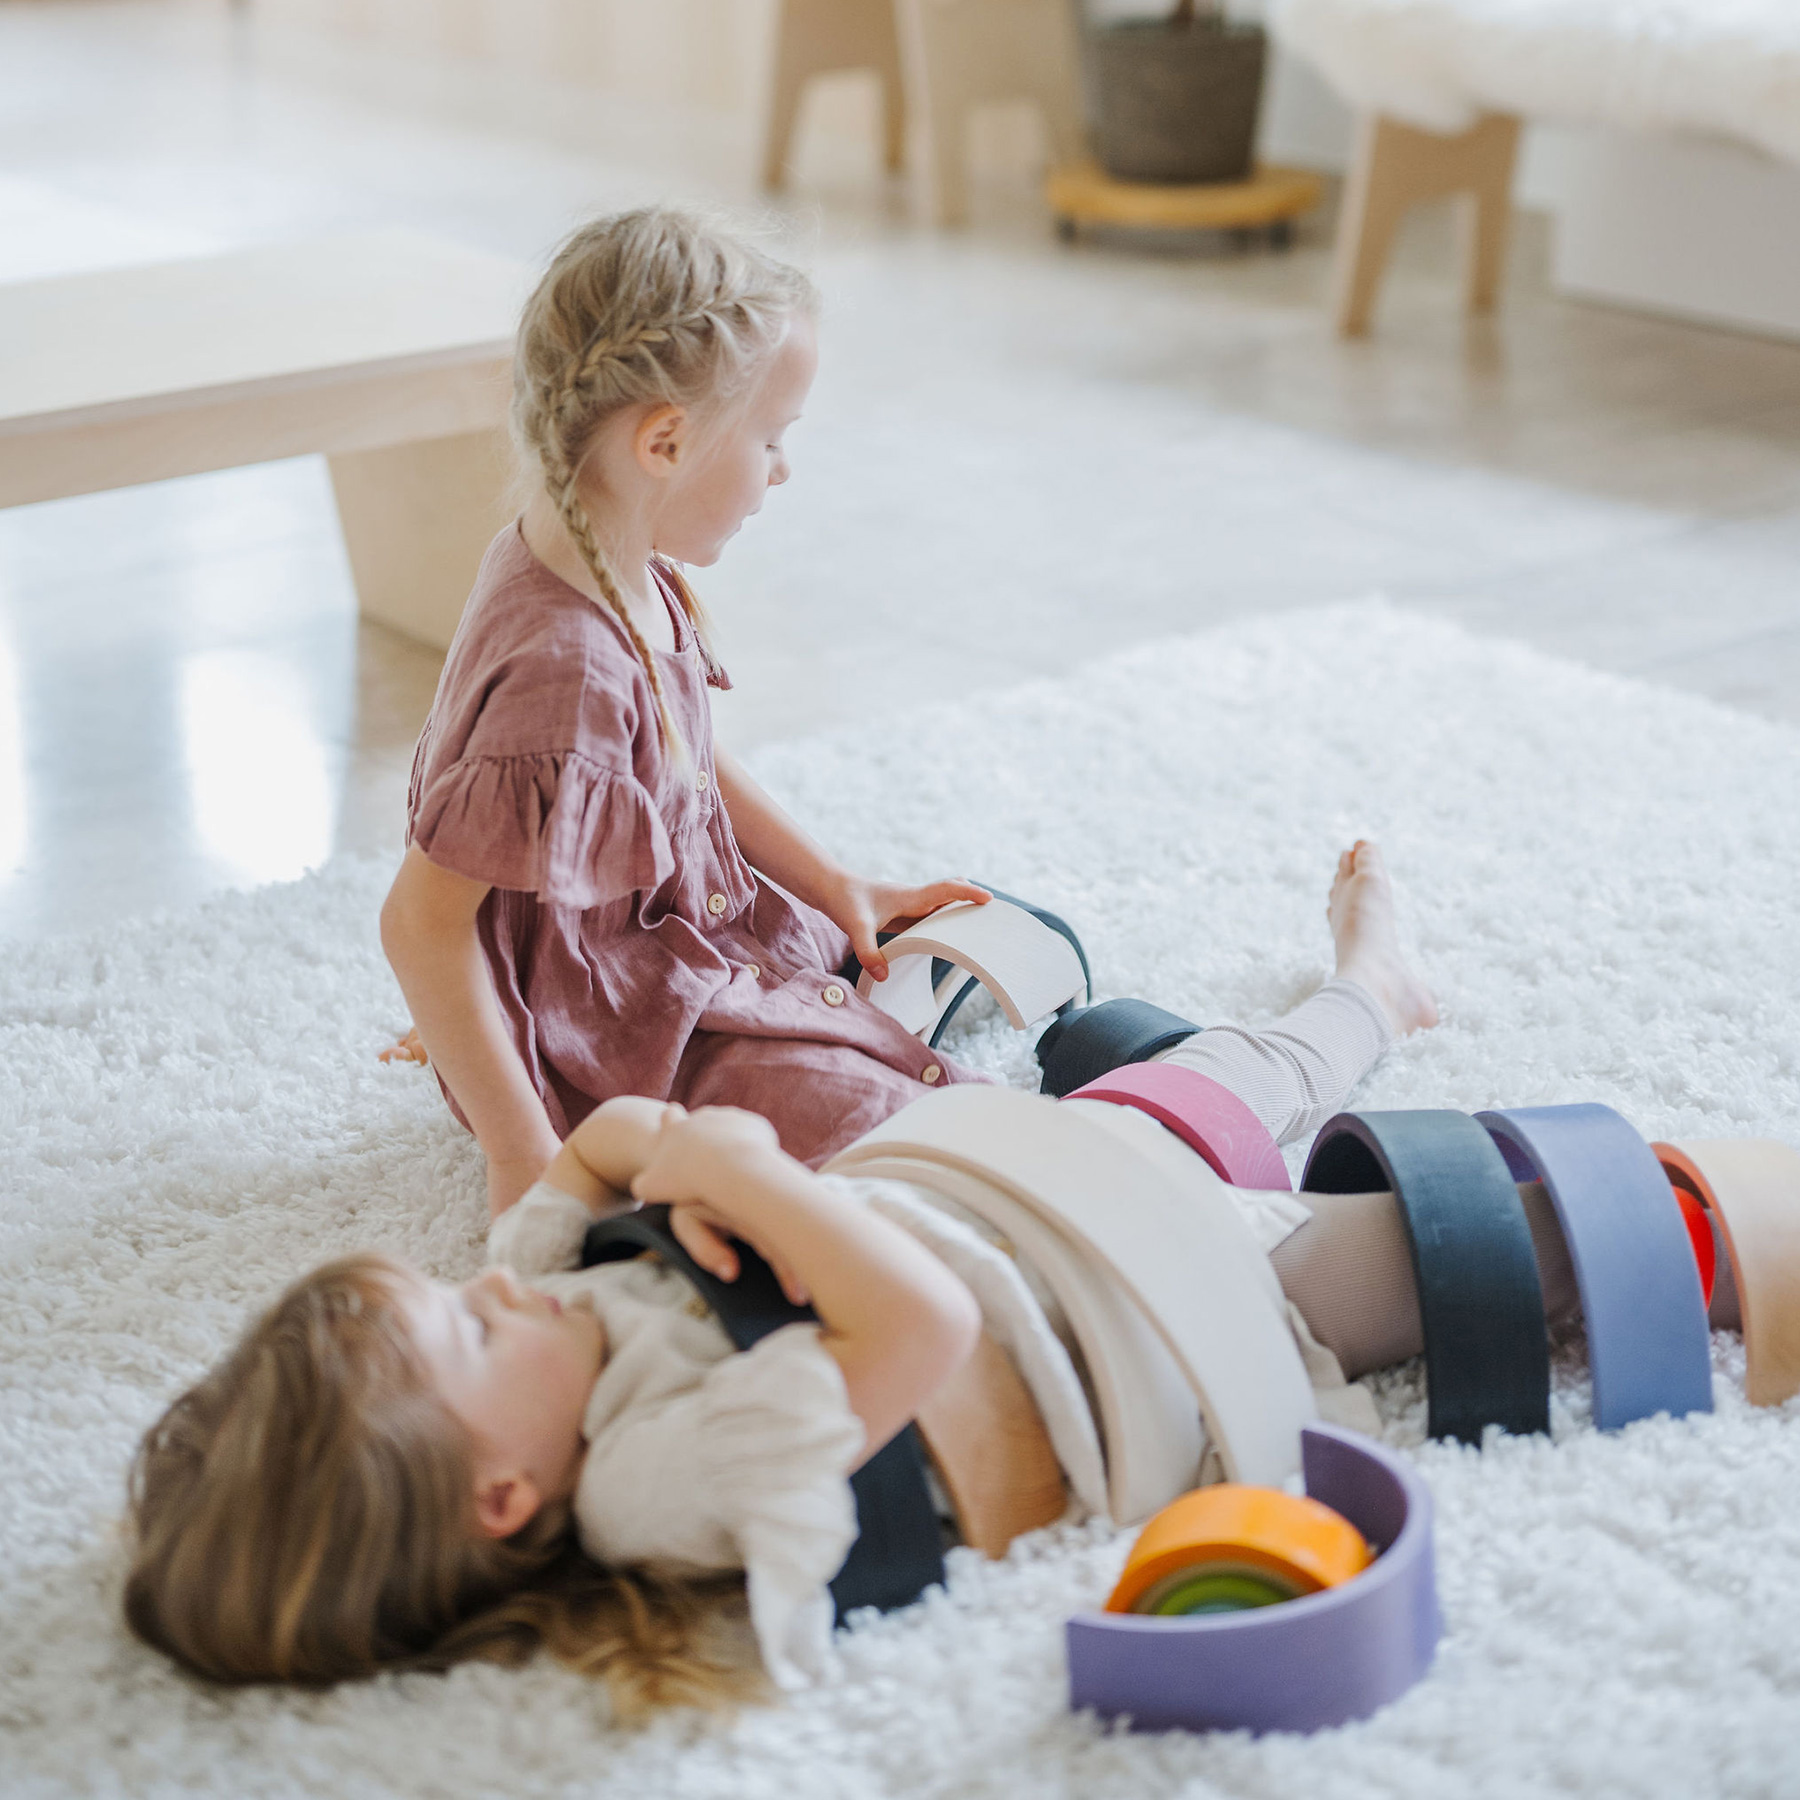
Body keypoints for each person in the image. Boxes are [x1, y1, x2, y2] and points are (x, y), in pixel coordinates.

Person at [125, 848, 1480, 1712]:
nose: (482, 1291)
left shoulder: (540, 1302)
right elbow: (924, 1326)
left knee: (1233, 1076)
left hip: (1022, 1180)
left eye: (452, 1299)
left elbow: (595, 1146)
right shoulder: (661, 1482)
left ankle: (1372, 987)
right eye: (464, 1339)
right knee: (1482, 1247)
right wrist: (738, 1168)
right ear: (501, 1497)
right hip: (1155, 1312)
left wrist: (656, 1146)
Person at [378, 206, 991, 1218]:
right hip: (618, 1036)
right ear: (664, 440)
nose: (781, 471)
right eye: (772, 439)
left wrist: (837, 883)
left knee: (972, 946)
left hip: (697, 936)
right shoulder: (564, 667)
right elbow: (418, 923)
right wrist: (521, 1152)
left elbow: (683, 761)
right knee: (900, 1137)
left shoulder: (607, 558)